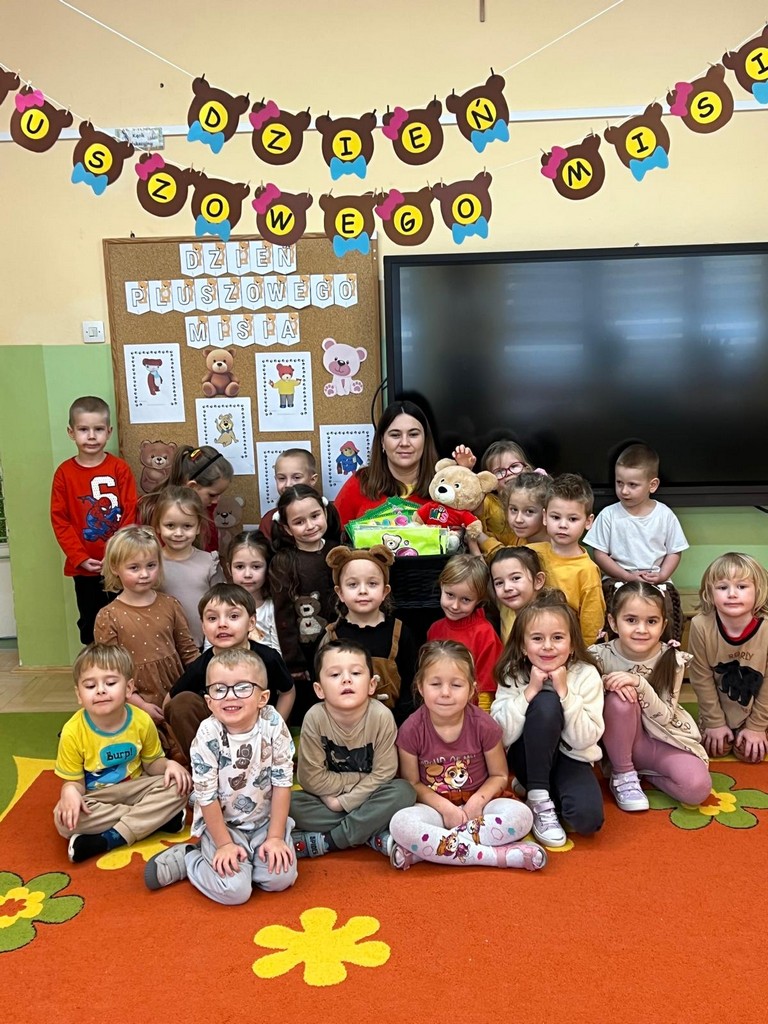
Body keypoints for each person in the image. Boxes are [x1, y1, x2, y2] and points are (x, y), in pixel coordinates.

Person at [144, 649, 297, 904]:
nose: (230, 696)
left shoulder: (272, 723)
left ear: (263, 698)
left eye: (243, 687)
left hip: (264, 822)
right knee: (235, 891)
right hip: (224, 826)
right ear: (209, 702)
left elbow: (282, 782)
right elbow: (206, 796)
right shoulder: (208, 734)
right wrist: (224, 844)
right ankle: (191, 857)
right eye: (219, 689)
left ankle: (250, 858)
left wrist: (275, 837)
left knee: (279, 878)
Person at [389, 640, 547, 871]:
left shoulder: (484, 725)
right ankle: (495, 856)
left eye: (456, 685)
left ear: (472, 689)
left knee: (522, 816)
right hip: (435, 810)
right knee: (400, 824)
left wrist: (476, 802)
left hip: (481, 808)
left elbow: (499, 775)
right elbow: (412, 783)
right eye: (435, 684)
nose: (445, 693)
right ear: (421, 687)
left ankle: (430, 850)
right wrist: (445, 809)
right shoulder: (411, 730)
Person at [53, 643, 191, 863]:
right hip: (97, 797)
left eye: (110, 683)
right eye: (90, 686)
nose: (100, 690)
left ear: (128, 688)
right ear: (79, 694)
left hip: (136, 787)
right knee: (64, 820)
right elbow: (75, 783)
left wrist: (168, 765)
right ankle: (154, 819)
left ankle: (110, 838)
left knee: (179, 786)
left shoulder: (141, 720)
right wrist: (69, 792)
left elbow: (152, 764)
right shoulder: (72, 732)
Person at [492, 589, 605, 848]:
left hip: (571, 757)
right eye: (537, 638)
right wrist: (529, 692)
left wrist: (565, 693)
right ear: (523, 645)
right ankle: (538, 797)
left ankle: (540, 790)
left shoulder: (586, 675)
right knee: (545, 702)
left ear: (572, 644)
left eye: (557, 638)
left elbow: (585, 739)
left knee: (587, 820)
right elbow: (501, 737)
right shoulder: (513, 673)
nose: (547, 646)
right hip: (526, 756)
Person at [589, 581, 710, 812]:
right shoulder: (597, 655)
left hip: (658, 740)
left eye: (651, 621)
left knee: (697, 788)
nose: (642, 629)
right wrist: (605, 684)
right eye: (631, 620)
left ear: (663, 625)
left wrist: (639, 683)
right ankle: (623, 773)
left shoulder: (672, 659)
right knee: (621, 697)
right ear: (613, 622)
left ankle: (643, 773)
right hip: (616, 744)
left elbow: (664, 718)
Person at [290, 640, 416, 858]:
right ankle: (370, 832)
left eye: (356, 673)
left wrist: (342, 803)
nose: (346, 679)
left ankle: (330, 841)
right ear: (319, 689)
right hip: (330, 799)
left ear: (372, 685)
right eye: (335, 674)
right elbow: (310, 778)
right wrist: (345, 792)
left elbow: (385, 773)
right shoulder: (315, 717)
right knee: (288, 804)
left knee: (404, 792)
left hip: (370, 796)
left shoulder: (381, 716)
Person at [166, 583, 295, 760]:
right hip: (219, 736)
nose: (222, 624)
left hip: (259, 730)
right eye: (212, 618)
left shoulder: (268, 657)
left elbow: (288, 691)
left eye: (233, 616)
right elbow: (169, 704)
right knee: (182, 703)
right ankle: (202, 763)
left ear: (251, 622)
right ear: (203, 627)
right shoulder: (201, 665)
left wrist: (276, 727)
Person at [50, 396, 138, 644]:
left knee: (125, 620)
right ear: (71, 432)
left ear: (109, 432)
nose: (91, 436)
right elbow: (60, 520)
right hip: (86, 568)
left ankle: (125, 665)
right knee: (91, 622)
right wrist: (79, 557)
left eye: (98, 429)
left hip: (119, 565)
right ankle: (96, 663)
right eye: (83, 429)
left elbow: (130, 511)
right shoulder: (64, 474)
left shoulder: (120, 469)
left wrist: (118, 554)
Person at [94, 526, 200, 721]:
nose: (144, 574)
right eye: (134, 568)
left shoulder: (171, 604)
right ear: (115, 568)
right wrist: (140, 704)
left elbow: (188, 652)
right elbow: (110, 670)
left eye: (151, 565)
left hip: (175, 692)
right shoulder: (108, 616)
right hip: (132, 700)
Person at [323, 545, 417, 724]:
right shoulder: (332, 636)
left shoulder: (400, 633)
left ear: (385, 591)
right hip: (345, 725)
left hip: (393, 724)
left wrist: (398, 721)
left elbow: (411, 682)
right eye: (353, 584)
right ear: (340, 593)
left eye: (372, 584)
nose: (363, 590)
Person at [688, 552, 768, 763]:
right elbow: (701, 678)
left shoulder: (766, 628)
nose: (732, 594)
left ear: (758, 590)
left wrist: (757, 726)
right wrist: (714, 722)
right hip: (719, 708)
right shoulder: (700, 625)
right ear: (709, 593)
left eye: (741, 586)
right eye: (723, 588)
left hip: (759, 708)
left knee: (750, 754)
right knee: (717, 748)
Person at [269, 485, 340, 717]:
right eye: (299, 522)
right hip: (305, 651)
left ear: (325, 512)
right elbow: (283, 614)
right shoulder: (283, 562)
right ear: (286, 528)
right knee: (311, 707)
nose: (310, 525)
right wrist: (294, 662)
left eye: (315, 516)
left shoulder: (338, 552)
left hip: (340, 644)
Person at [584, 444, 688, 585]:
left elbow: (674, 551)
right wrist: (626, 576)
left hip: (655, 582)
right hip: (618, 580)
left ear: (652, 485)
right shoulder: (608, 515)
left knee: (664, 599)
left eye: (632, 485)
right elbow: (599, 554)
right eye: (619, 483)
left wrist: (662, 575)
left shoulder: (665, 515)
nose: (624, 491)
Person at [334, 400, 438, 528]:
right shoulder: (360, 483)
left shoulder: (445, 485)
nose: (404, 443)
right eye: (395, 435)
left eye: (413, 434)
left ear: (425, 440)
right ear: (382, 441)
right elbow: (333, 534)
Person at [529, 473, 605, 646]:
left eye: (572, 519)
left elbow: (591, 625)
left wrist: (583, 654)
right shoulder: (531, 553)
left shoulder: (587, 570)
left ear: (588, 522)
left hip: (567, 650)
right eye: (556, 517)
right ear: (544, 516)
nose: (563, 525)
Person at [427, 554, 503, 711]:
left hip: (471, 711)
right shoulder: (435, 629)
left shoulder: (484, 633)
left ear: (478, 600)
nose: (455, 606)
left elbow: (487, 686)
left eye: (465, 600)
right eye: (450, 595)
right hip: (439, 707)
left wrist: (481, 717)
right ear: (442, 586)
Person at [152, 485, 223, 648]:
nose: (178, 533)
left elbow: (221, 607)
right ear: (157, 526)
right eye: (170, 525)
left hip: (203, 647)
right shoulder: (150, 564)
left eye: (187, 526)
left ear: (198, 527)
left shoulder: (209, 562)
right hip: (162, 648)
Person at [453, 439, 539, 549]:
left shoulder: (537, 497)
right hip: (494, 555)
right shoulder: (487, 502)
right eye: (500, 471)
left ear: (526, 468)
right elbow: (467, 497)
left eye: (514, 466)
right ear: (490, 480)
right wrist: (466, 469)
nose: (509, 473)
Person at [470, 471, 551, 561]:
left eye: (529, 511)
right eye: (514, 509)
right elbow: (498, 538)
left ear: (547, 513)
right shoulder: (520, 537)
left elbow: (503, 557)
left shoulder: (547, 549)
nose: (518, 519)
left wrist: (473, 542)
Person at [168, 444, 233, 553]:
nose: (216, 501)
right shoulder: (159, 512)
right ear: (192, 486)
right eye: (212, 495)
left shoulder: (207, 509)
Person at [225, 530, 280, 652]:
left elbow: (278, 654)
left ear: (268, 567)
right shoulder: (221, 605)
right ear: (229, 569)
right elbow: (210, 649)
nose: (247, 574)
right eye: (240, 567)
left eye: (256, 566)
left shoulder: (272, 608)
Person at [489, 546, 547, 643]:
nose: (507, 588)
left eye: (515, 578)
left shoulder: (550, 620)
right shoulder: (504, 608)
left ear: (538, 580)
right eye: (499, 583)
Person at [258, 447, 318, 537]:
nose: (288, 484)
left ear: (312, 480)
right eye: (282, 478)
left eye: (296, 477)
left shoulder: (326, 514)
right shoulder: (270, 520)